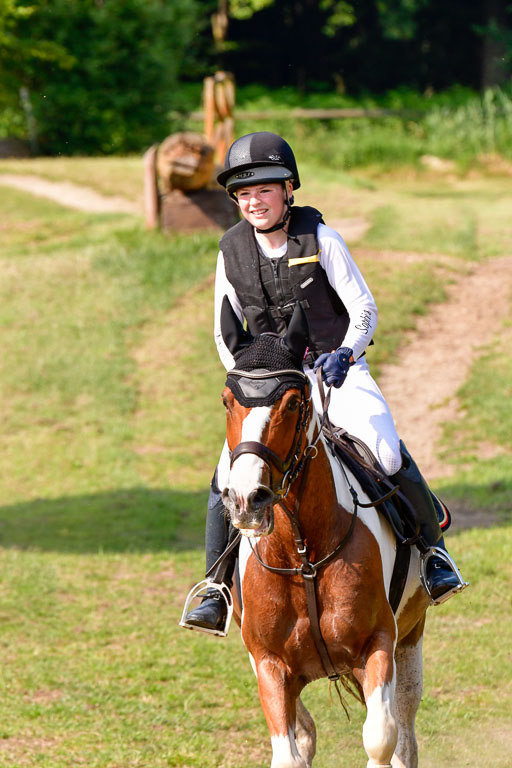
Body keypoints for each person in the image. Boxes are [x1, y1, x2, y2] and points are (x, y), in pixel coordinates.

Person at [182, 131, 467, 634]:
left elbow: (364, 309)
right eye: (244, 194)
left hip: (335, 372)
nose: (254, 201)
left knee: (384, 450)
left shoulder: (322, 239)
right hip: (273, 387)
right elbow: (222, 330)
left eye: (265, 190)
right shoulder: (229, 251)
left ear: (288, 188)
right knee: (229, 472)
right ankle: (217, 587)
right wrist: (252, 380)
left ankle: (432, 555)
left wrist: (346, 353)